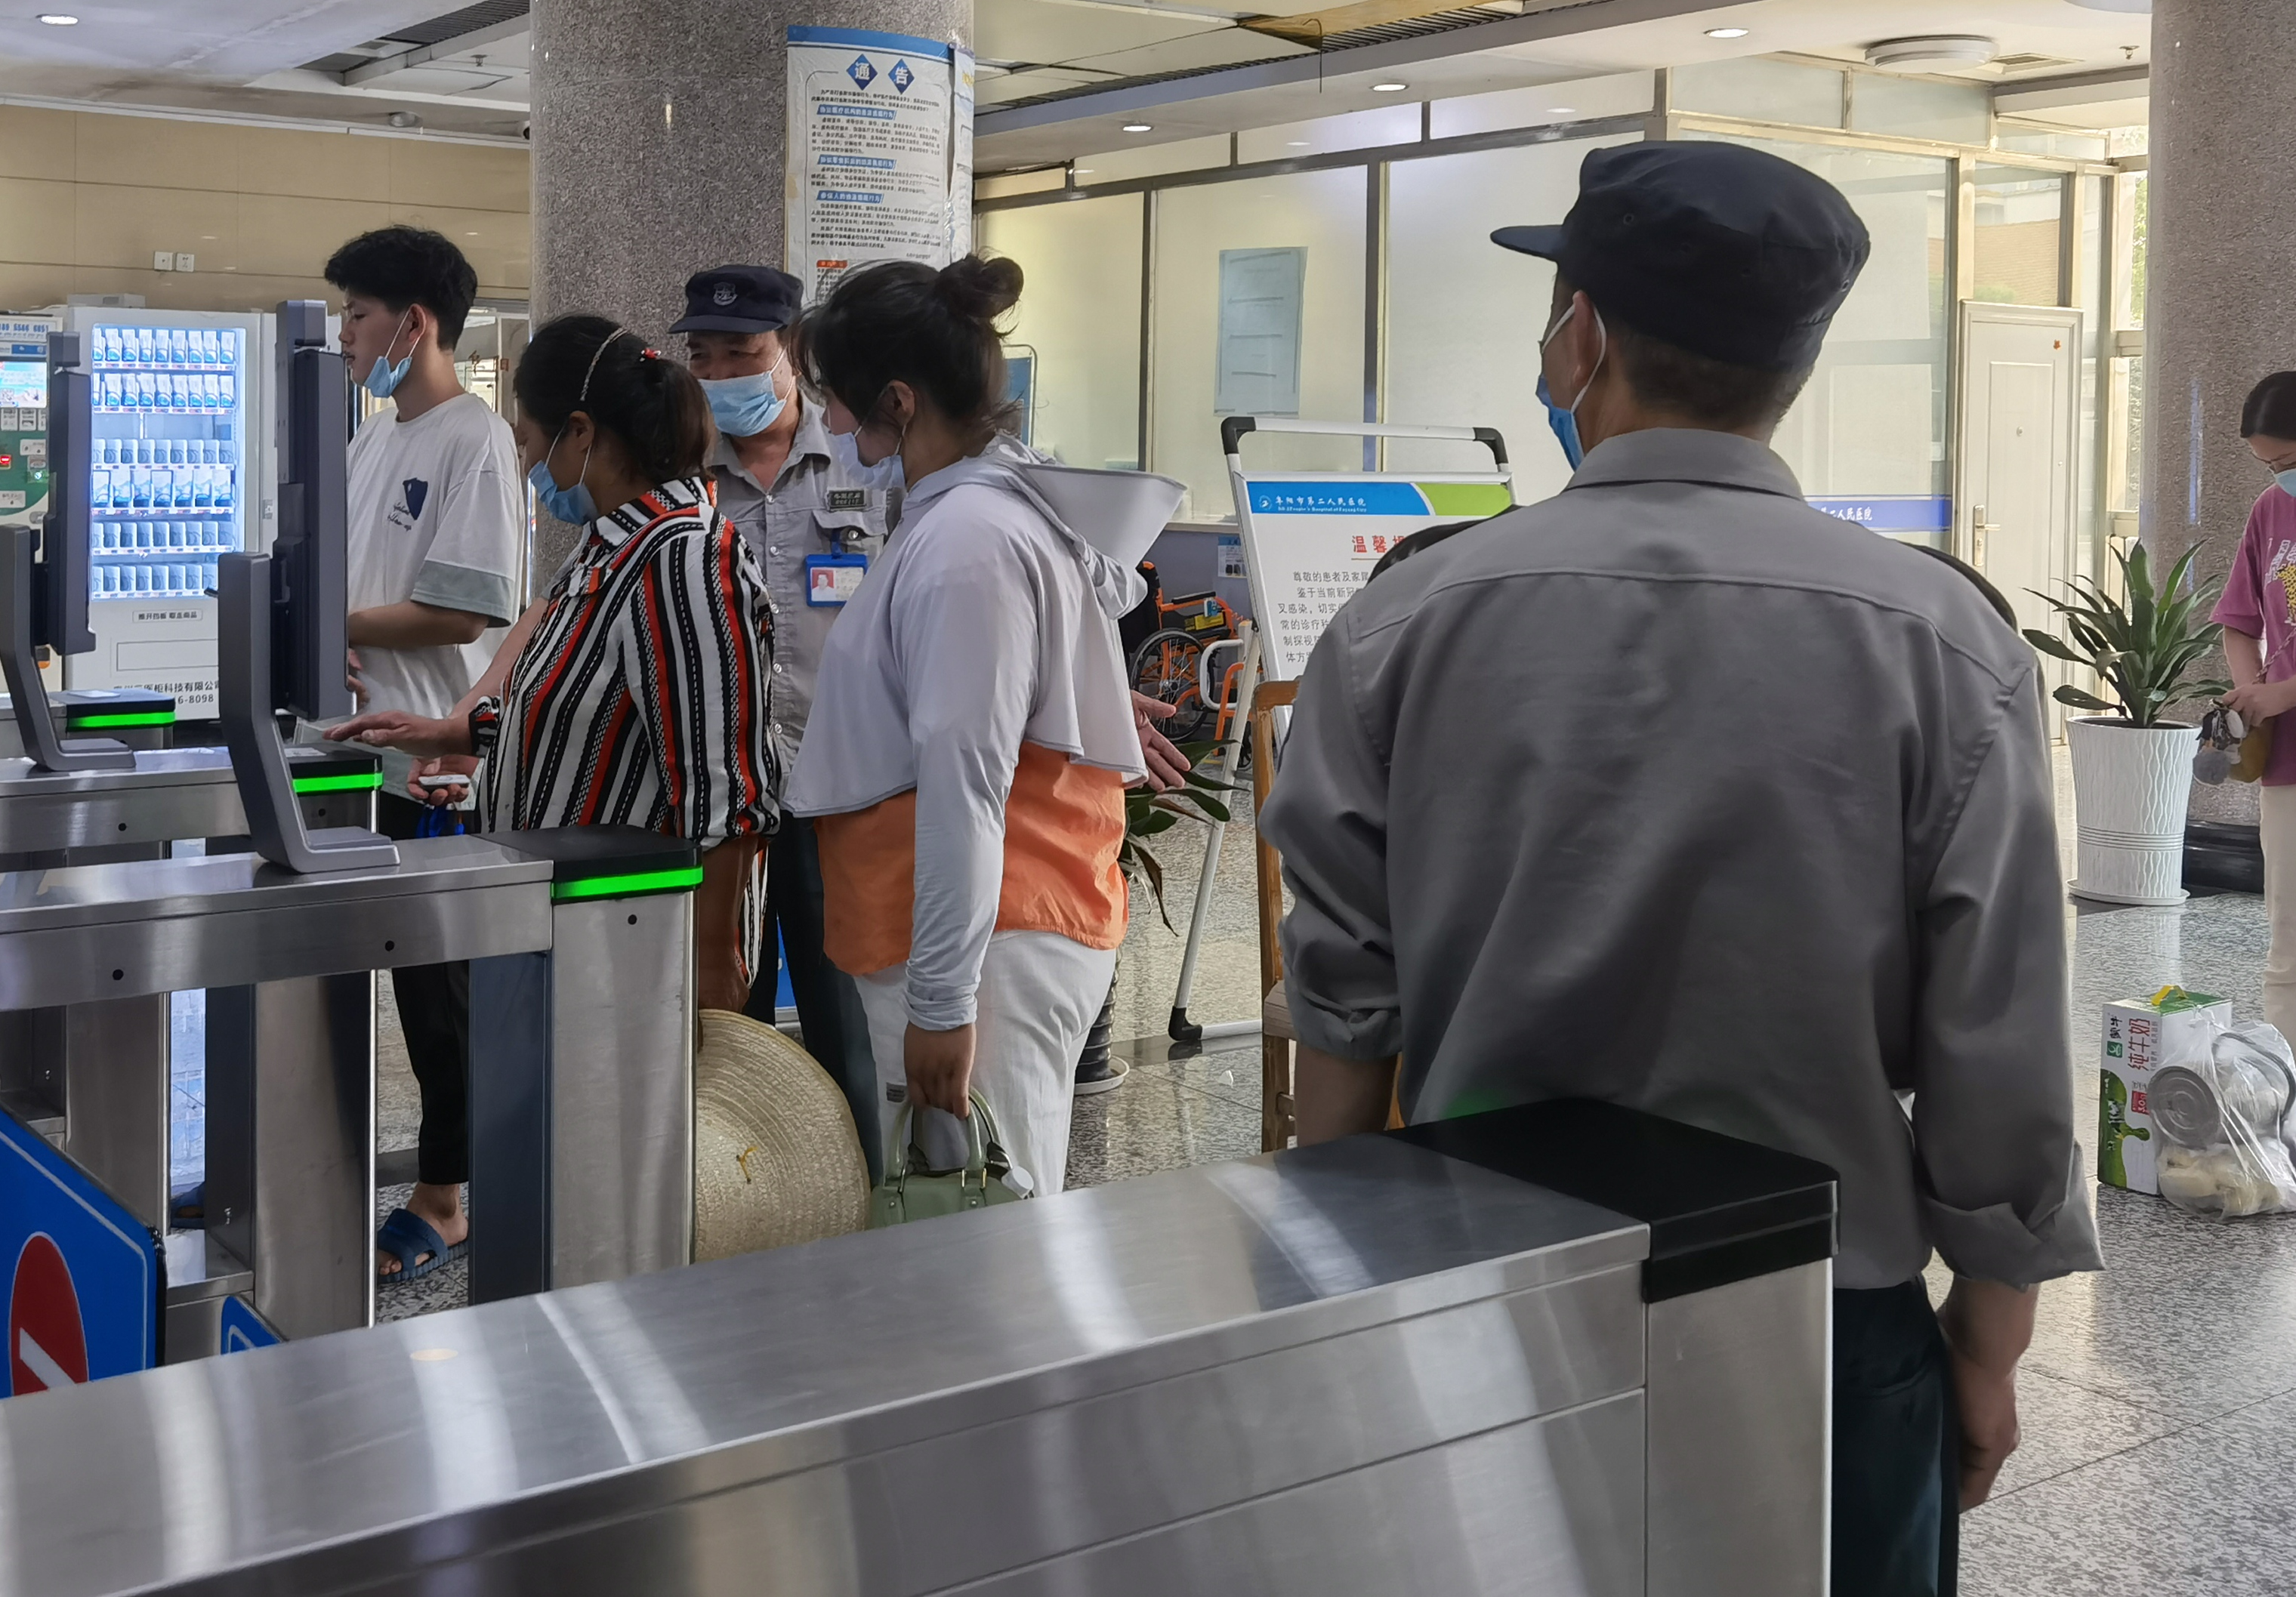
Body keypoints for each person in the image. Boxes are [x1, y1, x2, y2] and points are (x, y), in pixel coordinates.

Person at [1262, 140, 2098, 1597]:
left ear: (1580, 338)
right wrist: (1989, 1338)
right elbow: (2000, 1030)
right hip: (1826, 1307)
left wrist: (1340, 1300)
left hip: (1487, 1298)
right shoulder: (1946, 645)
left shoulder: (1405, 624)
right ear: (1797, 365)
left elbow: (1345, 1007)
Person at [787, 255, 1148, 1199]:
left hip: (987, 948)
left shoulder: (965, 541)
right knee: (977, 1226)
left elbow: (965, 778)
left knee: (991, 1232)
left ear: (899, 402)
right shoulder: (981, 515)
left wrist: (943, 1003)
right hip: (987, 929)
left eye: (839, 401)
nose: (830, 426)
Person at [331, 313, 781, 1021]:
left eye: (528, 441)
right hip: (568, 931)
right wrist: (453, 735)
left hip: (639, 947)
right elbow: (583, 700)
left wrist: (712, 968)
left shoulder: (682, 557)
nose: (526, 463)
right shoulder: (609, 547)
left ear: (580, 433)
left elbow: (724, 788)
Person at [322, 225, 524, 1285]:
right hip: (368, 749)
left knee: (441, 996)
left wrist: (334, 623)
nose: (344, 334)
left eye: (357, 313)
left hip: (439, 759)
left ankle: (446, 1199)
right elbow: (362, 588)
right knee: (405, 984)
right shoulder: (374, 438)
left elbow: (463, 610)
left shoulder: (471, 439)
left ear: (416, 322)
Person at [673, 262, 886, 1171]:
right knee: (728, 1023)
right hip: (725, 799)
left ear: (790, 349)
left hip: (843, 791)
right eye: (704, 355)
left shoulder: (864, 460)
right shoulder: (681, 471)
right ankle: (745, 1200)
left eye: (742, 352)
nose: (722, 373)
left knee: (849, 1020)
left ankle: (859, 1192)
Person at [2216, 370, 2296, 1034]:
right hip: (2288, 760)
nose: (2280, 476)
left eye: (2288, 460)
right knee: (2288, 942)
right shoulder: (2271, 511)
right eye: (2268, 465)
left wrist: (2283, 692)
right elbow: (2239, 622)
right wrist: (2251, 697)